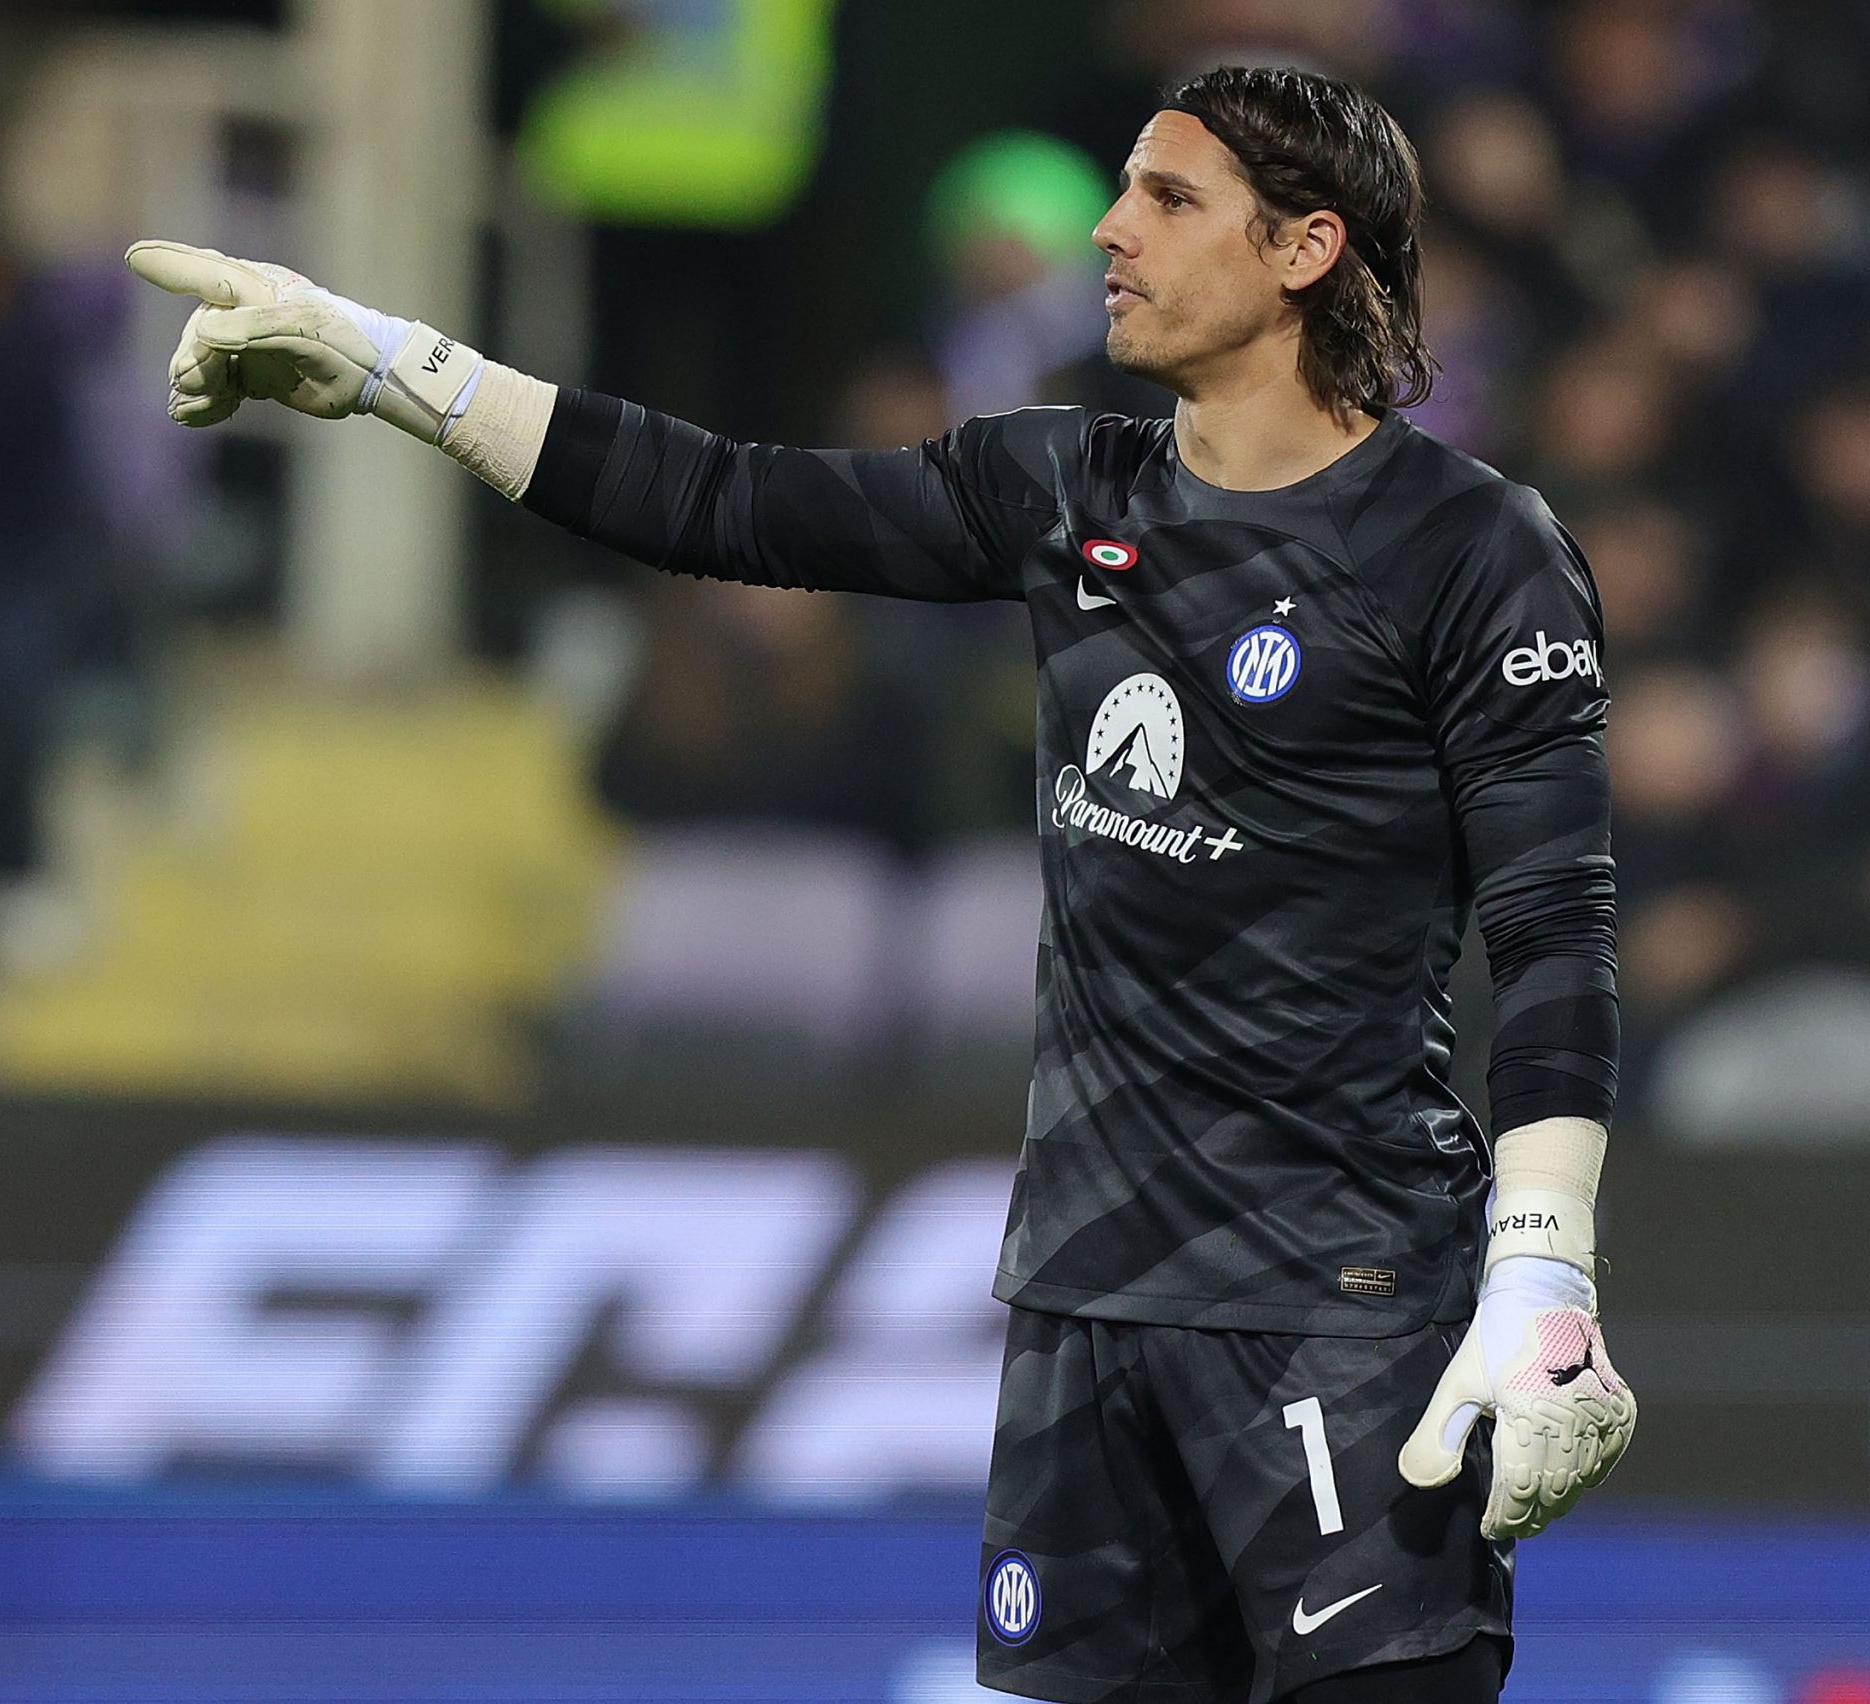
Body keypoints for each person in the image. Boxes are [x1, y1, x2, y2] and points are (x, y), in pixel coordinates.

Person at [126, 64, 1633, 1704]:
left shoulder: (1472, 551)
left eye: (1168, 200)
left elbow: (1552, 925)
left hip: (1342, 1310)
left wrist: (1545, 1270)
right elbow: (715, 499)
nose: (1111, 234)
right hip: (1084, 1311)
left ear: (1305, 249)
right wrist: (384, 362)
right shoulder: (1072, 490)